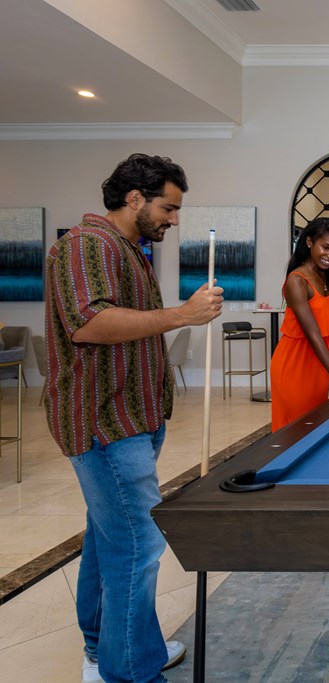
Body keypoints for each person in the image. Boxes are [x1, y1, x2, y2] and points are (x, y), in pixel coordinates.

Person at [44, 153, 224, 683]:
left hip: (133, 420)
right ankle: (134, 671)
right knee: (139, 543)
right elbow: (90, 322)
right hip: (107, 424)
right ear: (135, 198)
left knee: (109, 538)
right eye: (169, 208)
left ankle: (108, 652)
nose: (174, 219)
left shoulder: (126, 248)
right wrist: (183, 316)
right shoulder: (85, 245)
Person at [270, 217, 329, 431]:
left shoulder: (324, 276)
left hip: (317, 366)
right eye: (326, 247)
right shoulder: (297, 281)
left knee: (313, 428)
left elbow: (324, 312)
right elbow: (313, 334)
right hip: (294, 366)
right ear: (309, 242)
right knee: (296, 431)